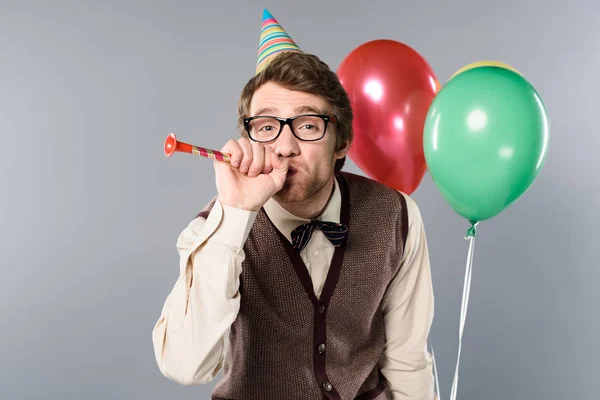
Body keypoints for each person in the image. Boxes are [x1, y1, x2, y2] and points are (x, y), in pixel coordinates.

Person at [152, 9, 436, 400]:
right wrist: (235, 215)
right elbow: (185, 367)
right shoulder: (214, 229)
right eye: (266, 127)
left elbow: (408, 362)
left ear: (341, 142)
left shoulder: (397, 215)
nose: (284, 147)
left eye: (307, 125)